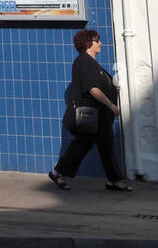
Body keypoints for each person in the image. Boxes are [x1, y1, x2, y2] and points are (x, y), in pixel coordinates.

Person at [49, 29, 131, 191]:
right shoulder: (83, 62)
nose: (100, 43)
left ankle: (113, 180)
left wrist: (112, 88)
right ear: (88, 43)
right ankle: (59, 172)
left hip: (100, 116)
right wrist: (111, 104)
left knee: (105, 146)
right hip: (91, 114)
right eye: (97, 40)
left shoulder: (91, 62)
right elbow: (92, 89)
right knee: (83, 144)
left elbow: (99, 84)